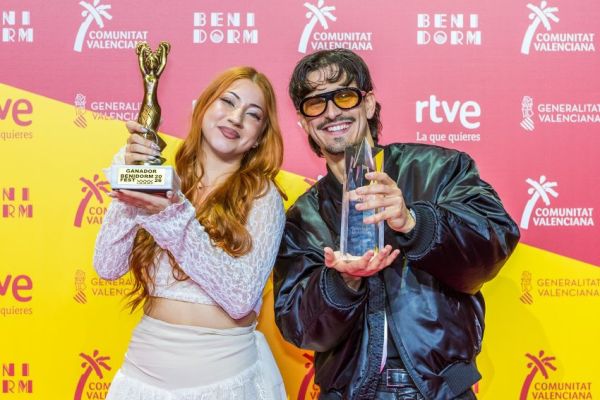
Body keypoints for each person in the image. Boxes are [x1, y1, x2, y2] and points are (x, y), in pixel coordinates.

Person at [273, 49, 520, 399]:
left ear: (368, 103)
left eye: (344, 96)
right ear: (304, 122)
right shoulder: (303, 217)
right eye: (316, 103)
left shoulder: (440, 168)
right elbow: (299, 327)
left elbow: (495, 241)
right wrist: (342, 282)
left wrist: (415, 223)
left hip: (443, 390)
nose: (331, 112)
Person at [94, 66, 287, 399]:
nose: (236, 118)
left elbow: (240, 299)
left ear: (259, 136)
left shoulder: (262, 196)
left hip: (226, 381)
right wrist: (130, 179)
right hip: (142, 377)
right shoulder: (163, 179)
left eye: (252, 115)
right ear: (203, 107)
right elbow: (108, 266)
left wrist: (172, 216)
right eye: (228, 101)